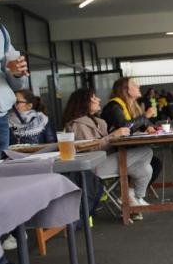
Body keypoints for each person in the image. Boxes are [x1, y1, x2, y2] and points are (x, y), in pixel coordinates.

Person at [64, 88, 154, 221]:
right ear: (84, 102)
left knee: (146, 169)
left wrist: (124, 135)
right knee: (146, 151)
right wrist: (114, 135)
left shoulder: (97, 121)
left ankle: (134, 197)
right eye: (94, 97)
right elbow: (90, 150)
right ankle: (131, 198)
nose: (99, 99)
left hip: (105, 160)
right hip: (93, 166)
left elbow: (106, 143)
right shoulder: (78, 124)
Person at [101, 77, 162, 194]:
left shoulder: (132, 105)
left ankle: (133, 195)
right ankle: (130, 195)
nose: (138, 86)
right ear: (125, 89)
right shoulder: (114, 105)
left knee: (155, 163)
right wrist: (145, 117)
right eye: (134, 84)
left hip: (127, 150)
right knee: (151, 159)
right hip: (113, 152)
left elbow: (140, 123)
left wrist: (148, 126)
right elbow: (124, 126)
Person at [0, 0, 30, 153]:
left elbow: (17, 84)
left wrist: (16, 71)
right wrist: (4, 65)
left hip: (1, 116)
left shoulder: (2, 32)